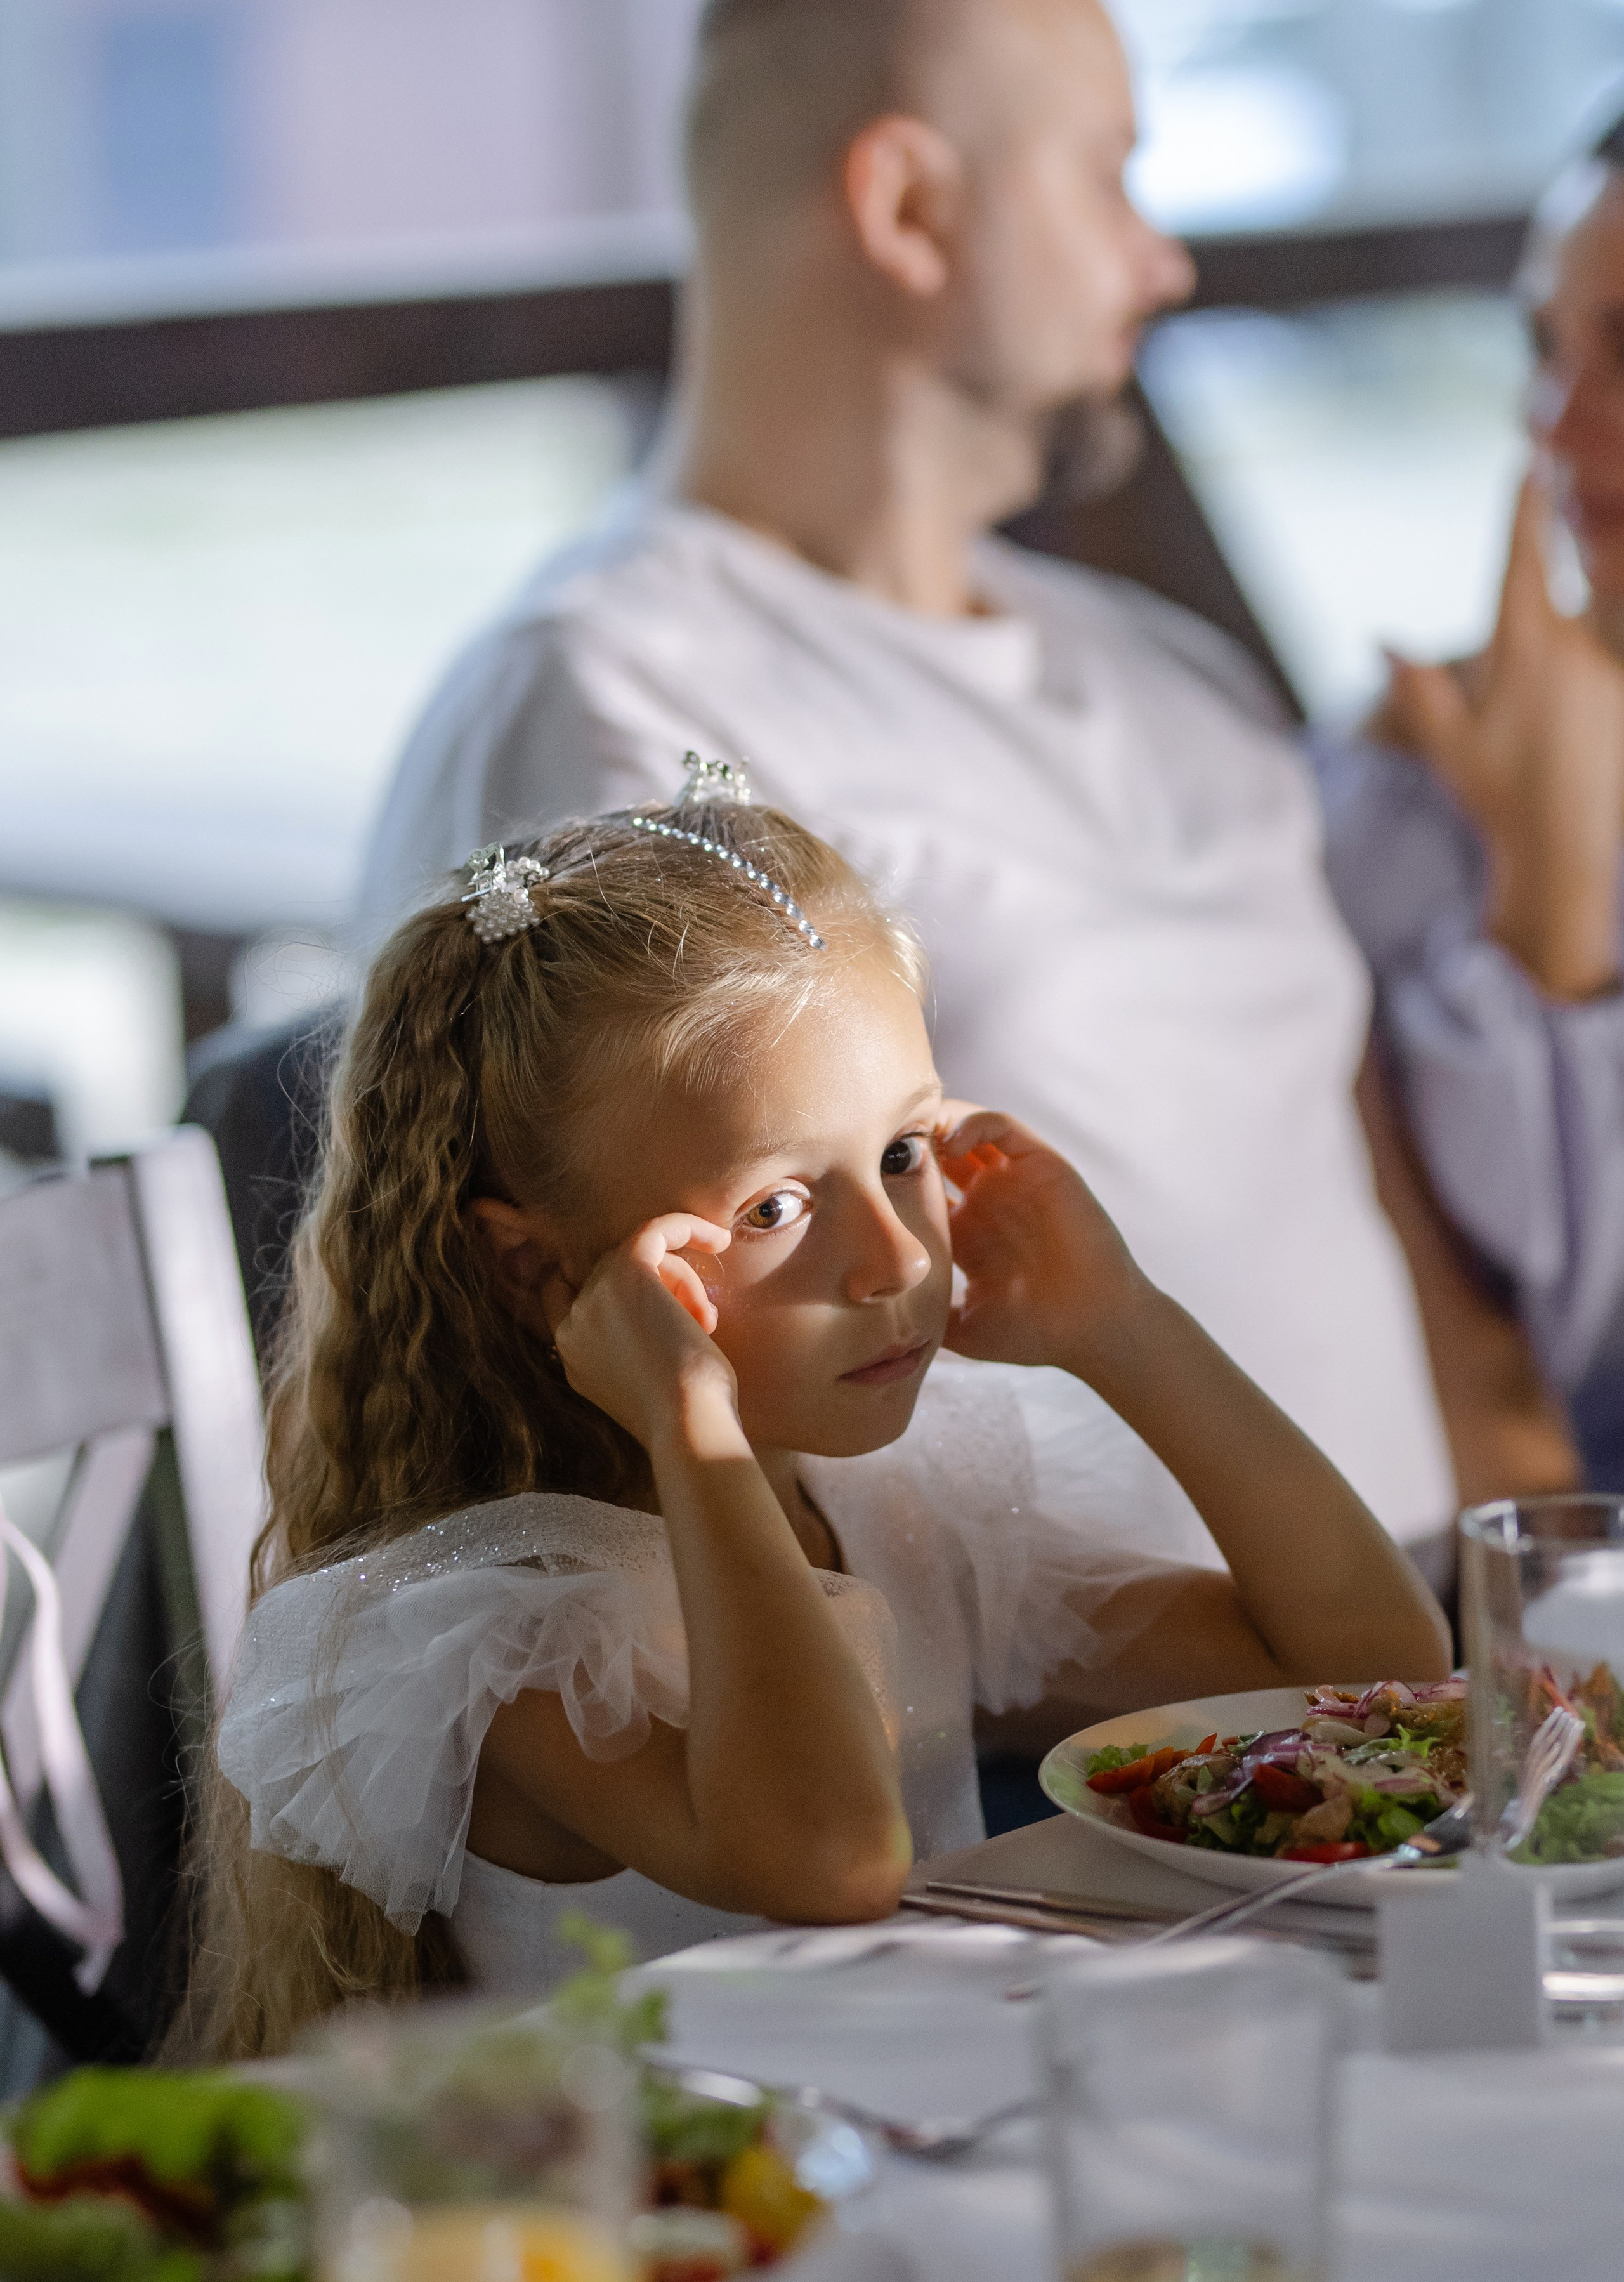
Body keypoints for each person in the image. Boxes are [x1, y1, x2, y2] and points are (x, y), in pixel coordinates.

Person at [360, 0, 1581, 1571]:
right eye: (1107, 177)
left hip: (1397, 1670)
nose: (1164, 261)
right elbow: (619, 1418)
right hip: (1066, 1740)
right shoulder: (613, 699)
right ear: (908, 209)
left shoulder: (1169, 673)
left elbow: (1388, 1227)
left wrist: (1529, 1610)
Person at [198, 787, 1448, 2055]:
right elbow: (829, 1860)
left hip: (906, 2157)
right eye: (777, 1207)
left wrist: (1123, 1325)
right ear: (538, 1273)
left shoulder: (897, 1515)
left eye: (904, 1152)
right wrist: (696, 1427)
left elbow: (1362, 1666)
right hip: (642, 2229)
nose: (894, 1256)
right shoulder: (501, 1637)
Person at [1318, 110, 1624, 1488]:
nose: (1553, 421)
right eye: (1543, 347)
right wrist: (1539, 886)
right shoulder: (1397, 800)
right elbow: (1555, 1368)